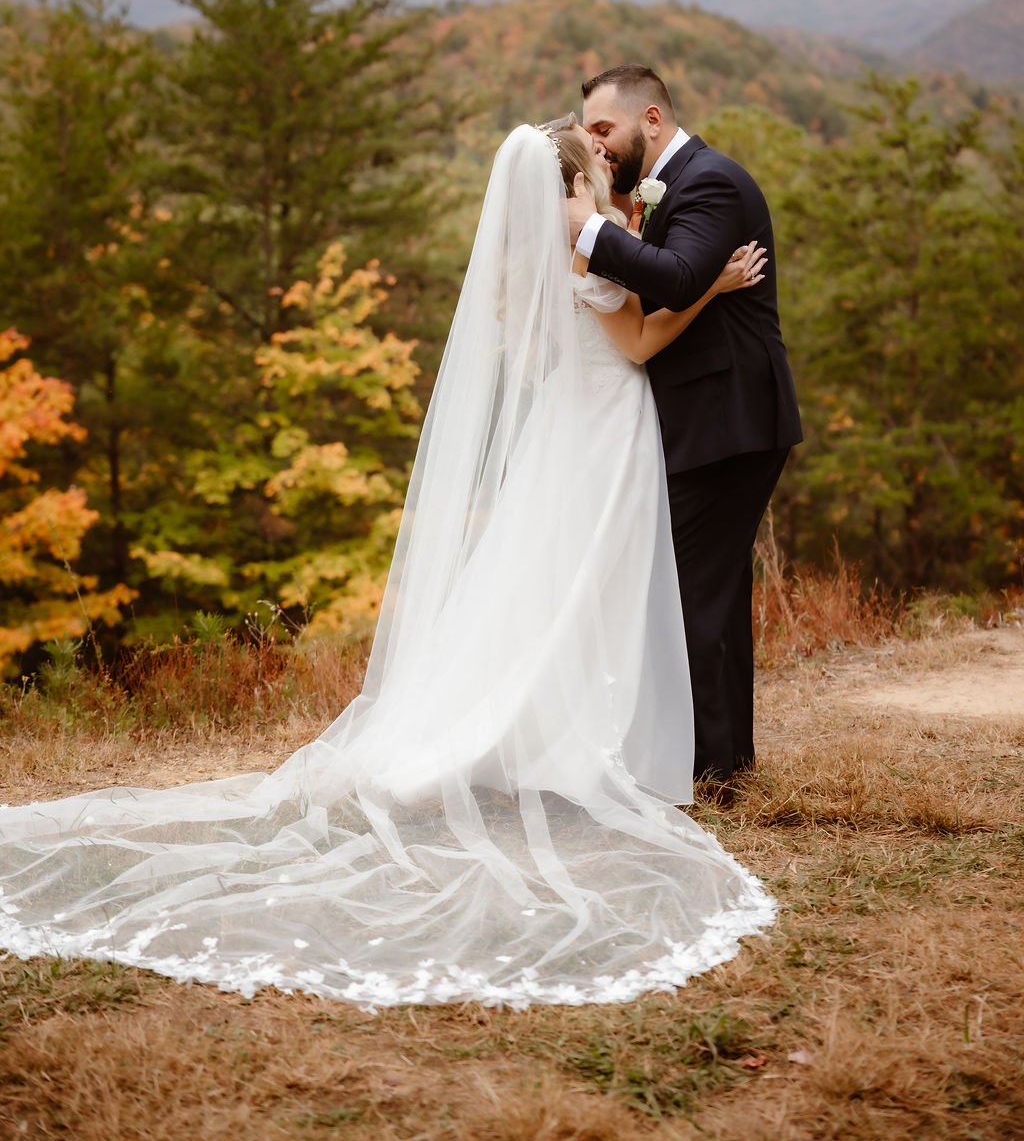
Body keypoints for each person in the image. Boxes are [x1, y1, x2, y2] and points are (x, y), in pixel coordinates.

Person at [0, 122, 775, 1012]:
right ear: (568, 174)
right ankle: (580, 737)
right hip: (607, 434)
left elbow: (545, 351)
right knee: (590, 589)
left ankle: (538, 730)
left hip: (564, 433)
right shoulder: (585, 237)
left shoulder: (527, 252)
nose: (608, 164)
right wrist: (710, 286)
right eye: (593, 159)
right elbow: (638, 345)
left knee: (546, 587)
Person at [567, 65, 803, 786]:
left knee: (693, 587)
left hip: (729, 415)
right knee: (713, 588)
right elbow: (669, 294)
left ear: (652, 119)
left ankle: (703, 765)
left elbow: (673, 275)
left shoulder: (710, 181)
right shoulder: (669, 187)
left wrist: (587, 230)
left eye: (605, 129)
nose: (599, 146)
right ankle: (725, 760)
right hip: (710, 417)